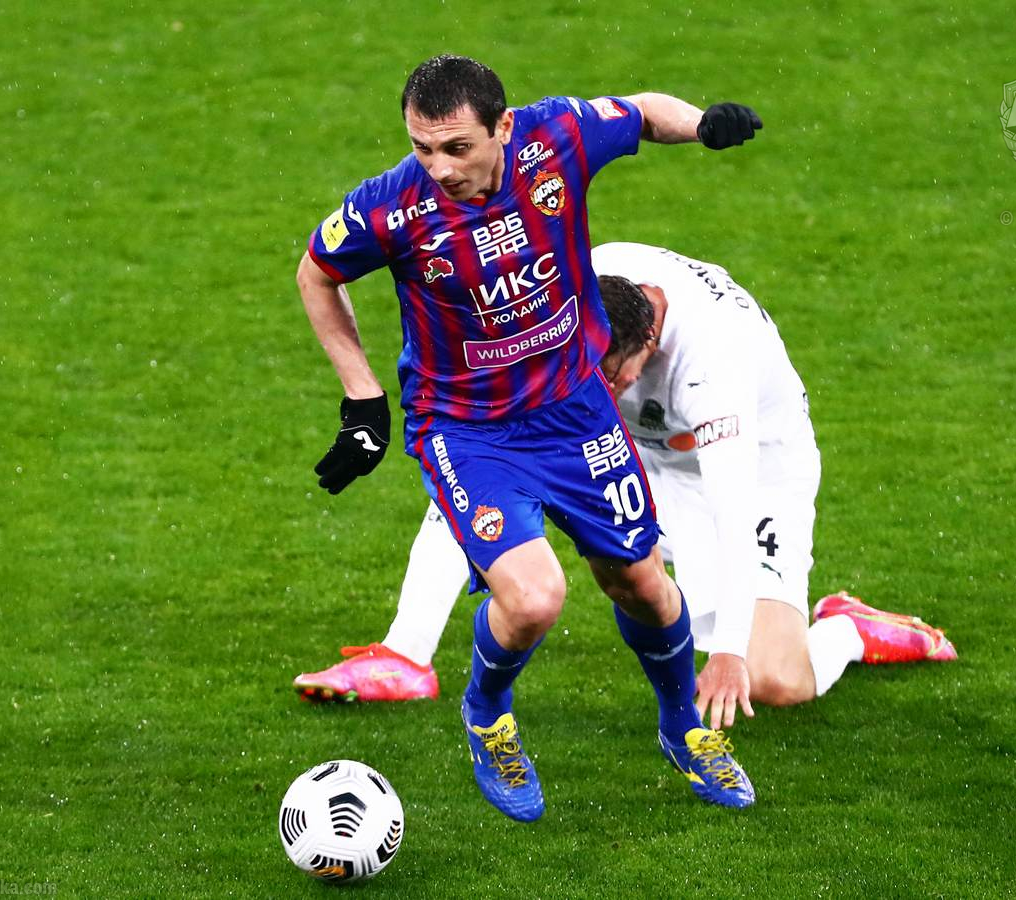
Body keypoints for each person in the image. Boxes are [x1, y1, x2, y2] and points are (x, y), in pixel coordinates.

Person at [296, 55, 766, 822]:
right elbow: (316, 273)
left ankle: (683, 728)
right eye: (422, 147)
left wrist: (703, 124)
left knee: (643, 585)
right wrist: (363, 398)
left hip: (577, 412)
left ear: (504, 127)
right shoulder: (391, 208)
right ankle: (488, 714)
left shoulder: (555, 139)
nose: (438, 168)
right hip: (468, 430)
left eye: (457, 147)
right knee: (536, 598)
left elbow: (644, 111)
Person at [295, 242, 958, 728]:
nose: (598, 392)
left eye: (609, 380)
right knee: (484, 459)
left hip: (752, 471)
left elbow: (732, 512)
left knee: (776, 681)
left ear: (649, 344)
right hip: (640, 453)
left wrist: (729, 652)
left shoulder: (712, 366)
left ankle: (848, 630)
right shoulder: (572, 289)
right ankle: (405, 655)